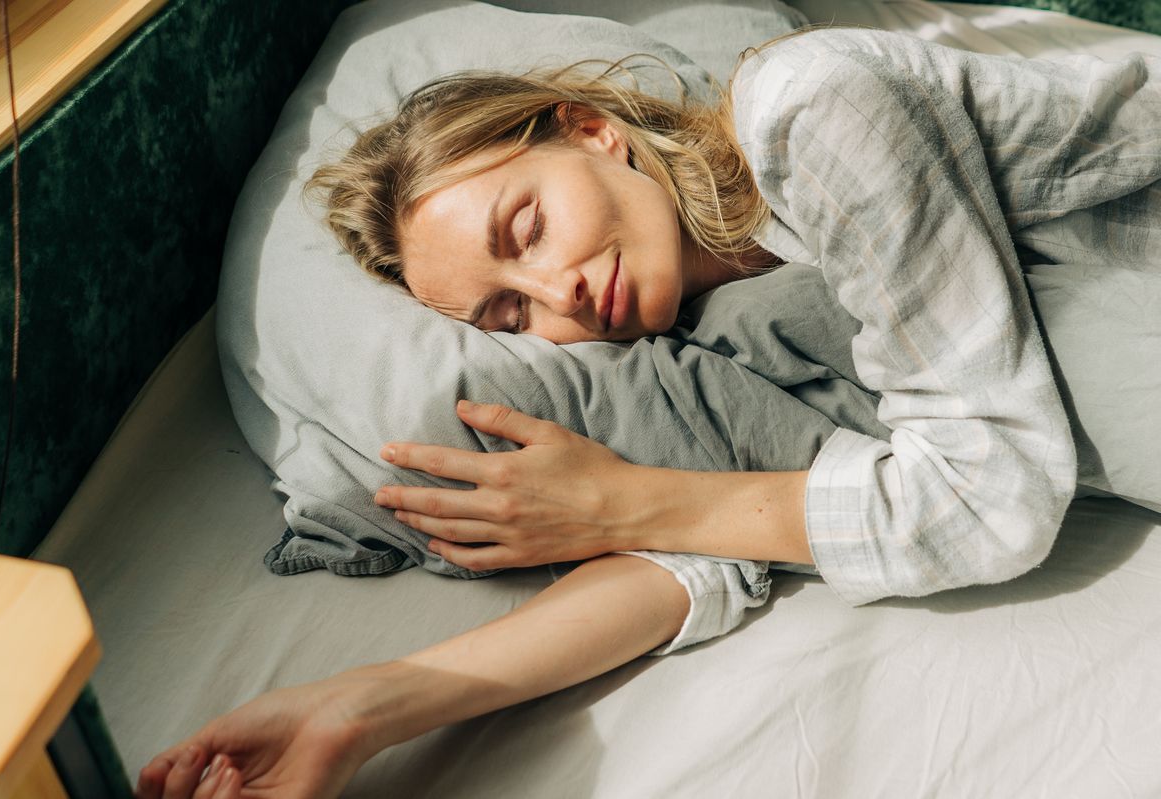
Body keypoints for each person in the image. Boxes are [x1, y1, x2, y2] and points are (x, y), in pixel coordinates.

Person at [135, 26, 1160, 799]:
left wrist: (634, 502)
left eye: (526, 225)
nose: (557, 294)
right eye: (508, 311)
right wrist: (354, 707)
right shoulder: (716, 348)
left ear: (594, 133)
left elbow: (990, 504)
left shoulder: (812, 108)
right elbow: (697, 553)